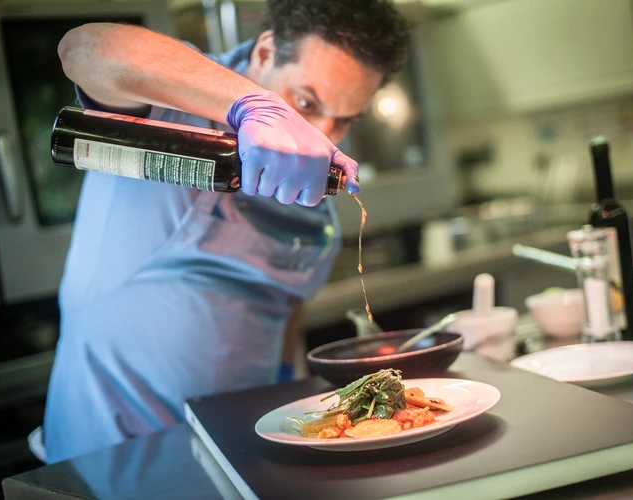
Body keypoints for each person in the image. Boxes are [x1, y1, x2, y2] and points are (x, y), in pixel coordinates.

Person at [43, 0, 411, 463]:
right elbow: (83, 49)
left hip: (238, 452)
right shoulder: (178, 99)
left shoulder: (317, 176)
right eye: (305, 104)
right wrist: (251, 104)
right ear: (265, 53)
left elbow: (283, 307)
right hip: (112, 451)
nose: (322, 136)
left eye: (344, 120)